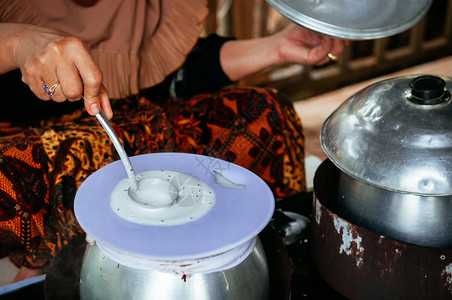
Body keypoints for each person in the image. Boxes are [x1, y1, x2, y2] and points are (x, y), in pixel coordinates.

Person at [0, 0, 347, 281]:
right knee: (52, 159)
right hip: (20, 133)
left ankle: (265, 242)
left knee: (268, 111)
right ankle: (53, 265)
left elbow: (172, 73)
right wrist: (19, 44)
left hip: (134, 118)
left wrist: (277, 47)